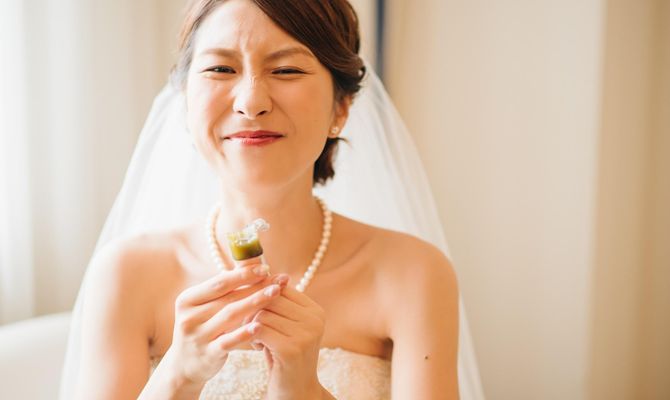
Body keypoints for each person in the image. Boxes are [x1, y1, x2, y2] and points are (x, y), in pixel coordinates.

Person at [61, 0, 468, 398]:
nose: (251, 103)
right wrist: (178, 379)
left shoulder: (414, 274)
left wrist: (305, 392)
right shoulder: (125, 275)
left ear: (341, 108)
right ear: (186, 100)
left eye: (287, 70)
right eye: (221, 69)